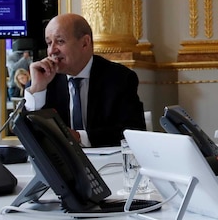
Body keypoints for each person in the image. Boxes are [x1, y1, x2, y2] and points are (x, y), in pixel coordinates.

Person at [24, 13, 146, 147]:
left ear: (84, 43)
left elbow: (133, 131)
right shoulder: (44, 78)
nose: (52, 51)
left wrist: (79, 137)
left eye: (60, 41)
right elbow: (26, 133)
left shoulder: (119, 77)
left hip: (107, 164)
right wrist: (37, 89)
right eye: (48, 43)